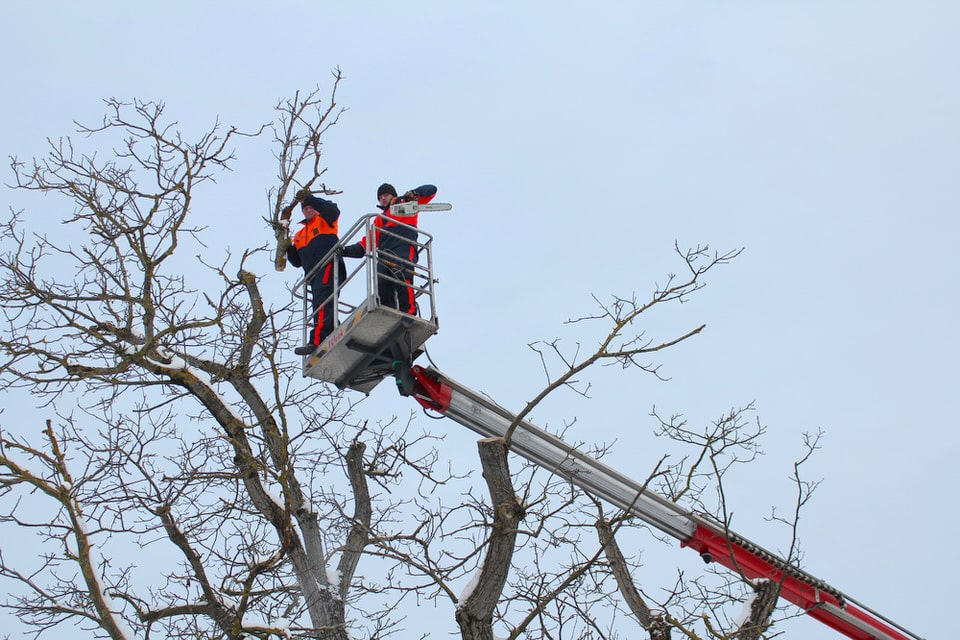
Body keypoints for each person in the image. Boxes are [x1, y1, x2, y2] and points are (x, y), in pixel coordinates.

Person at [343, 183, 437, 314]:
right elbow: (366, 243)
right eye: (380, 197)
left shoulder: (406, 202)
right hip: (384, 252)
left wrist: (414, 193)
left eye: (385, 195)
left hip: (403, 245)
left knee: (402, 275)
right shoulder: (379, 219)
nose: (383, 199)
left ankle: (408, 310)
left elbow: (431, 191)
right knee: (382, 283)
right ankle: (389, 312)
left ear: (393, 195)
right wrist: (345, 251)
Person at [286, 194, 345, 355]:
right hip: (312, 274)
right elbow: (297, 261)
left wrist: (309, 198)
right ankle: (333, 328)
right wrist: (287, 245)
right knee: (322, 303)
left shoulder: (325, 220)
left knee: (321, 303)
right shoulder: (299, 235)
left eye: (311, 207)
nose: (309, 210)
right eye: (305, 208)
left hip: (327, 264)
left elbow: (333, 209)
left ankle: (316, 339)